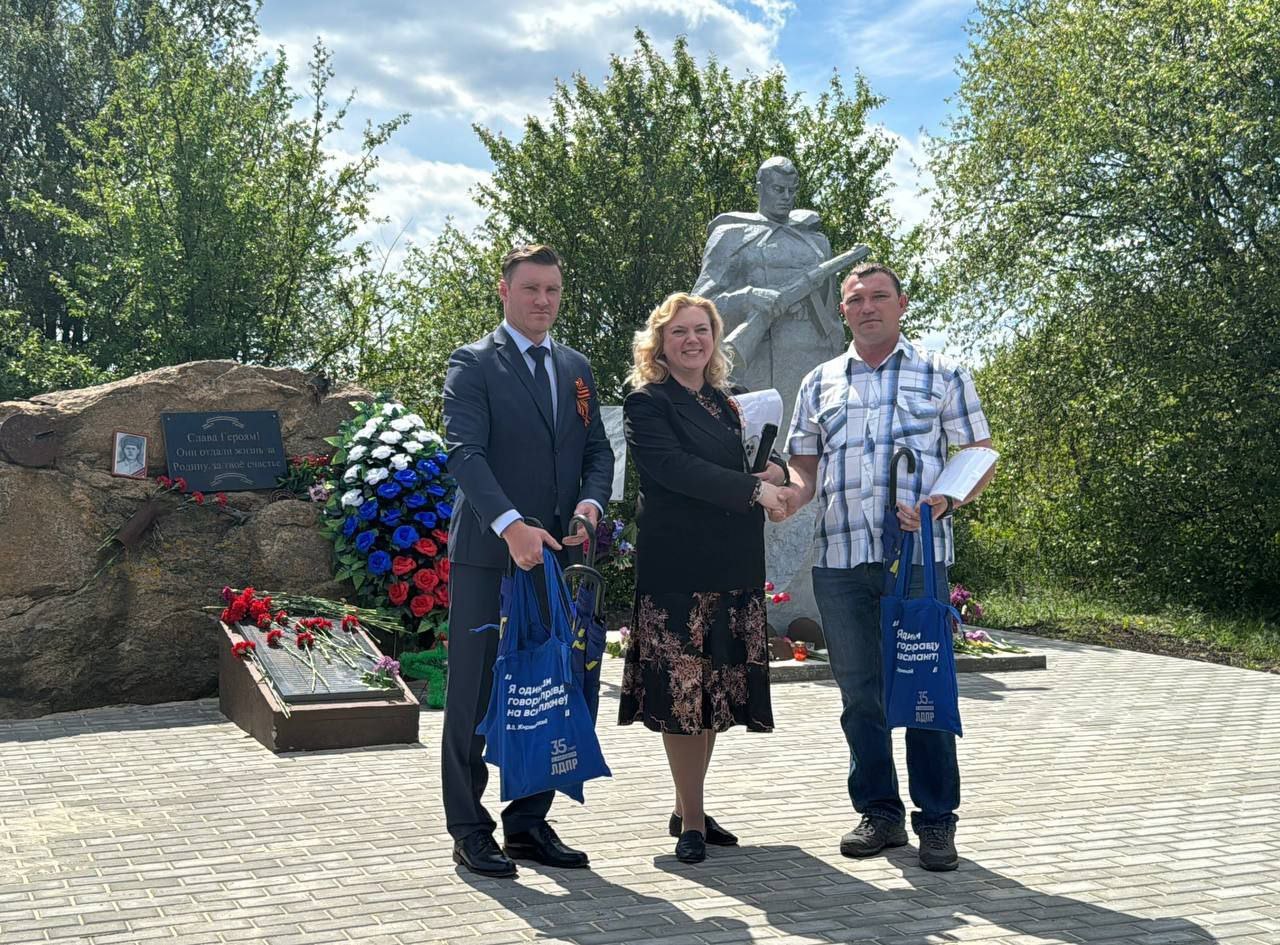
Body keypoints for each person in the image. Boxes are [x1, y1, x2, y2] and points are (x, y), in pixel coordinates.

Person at [777, 263, 995, 872]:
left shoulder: (941, 372)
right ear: (843, 311)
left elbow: (979, 453)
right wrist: (786, 498)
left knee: (925, 690)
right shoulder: (819, 381)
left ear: (902, 304)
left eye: (879, 296)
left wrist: (942, 500)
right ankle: (879, 813)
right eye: (856, 299)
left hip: (918, 560)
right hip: (841, 561)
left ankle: (937, 821)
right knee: (860, 696)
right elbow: (804, 468)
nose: (867, 307)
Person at [442, 244, 615, 878]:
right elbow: (464, 453)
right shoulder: (473, 363)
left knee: (549, 687)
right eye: (531, 289)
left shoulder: (575, 367)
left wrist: (590, 505)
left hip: (557, 561)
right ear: (504, 291)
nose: (543, 300)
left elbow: (597, 451)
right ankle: (469, 829)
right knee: (476, 693)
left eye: (552, 290)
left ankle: (527, 823)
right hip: (490, 556)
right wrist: (511, 526)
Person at [619, 292, 791, 864]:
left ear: (715, 338)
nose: (692, 340)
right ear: (660, 343)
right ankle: (692, 820)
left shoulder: (732, 401)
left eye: (702, 330)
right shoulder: (647, 402)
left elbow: (760, 459)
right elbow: (676, 470)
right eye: (679, 332)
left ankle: (686, 806)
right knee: (683, 695)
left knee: (712, 693)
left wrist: (778, 474)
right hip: (678, 569)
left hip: (734, 563)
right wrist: (755, 490)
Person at [691, 155, 849, 623]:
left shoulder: (813, 238)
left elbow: (831, 314)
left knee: (808, 461)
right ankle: (753, 598)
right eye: (776, 188)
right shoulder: (732, 234)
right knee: (754, 465)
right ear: (760, 186)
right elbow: (700, 302)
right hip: (753, 361)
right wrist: (747, 299)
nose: (785, 197)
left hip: (810, 360)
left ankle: (805, 603)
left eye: (791, 188)